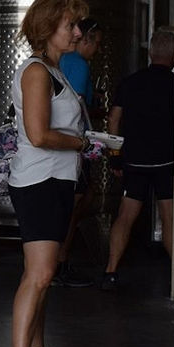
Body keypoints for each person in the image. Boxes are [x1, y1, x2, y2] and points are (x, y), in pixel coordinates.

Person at [4, 0, 101, 347]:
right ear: (48, 30)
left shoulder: (55, 71)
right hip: (39, 182)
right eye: (71, 25)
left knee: (43, 276)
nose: (78, 31)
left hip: (56, 181)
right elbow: (39, 134)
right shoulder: (36, 72)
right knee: (40, 274)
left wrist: (87, 140)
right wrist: (83, 145)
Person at [101, 30, 174, 291]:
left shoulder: (130, 82)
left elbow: (113, 119)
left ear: (150, 53)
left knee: (125, 216)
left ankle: (110, 270)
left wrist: (115, 157)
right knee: (169, 218)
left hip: (134, 161)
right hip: (167, 162)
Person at [53, 18, 103, 287]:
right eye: (96, 43)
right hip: (74, 144)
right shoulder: (79, 65)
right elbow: (78, 110)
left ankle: (56, 260)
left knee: (78, 198)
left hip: (57, 146)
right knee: (76, 202)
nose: (97, 50)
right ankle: (60, 261)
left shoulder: (57, 62)